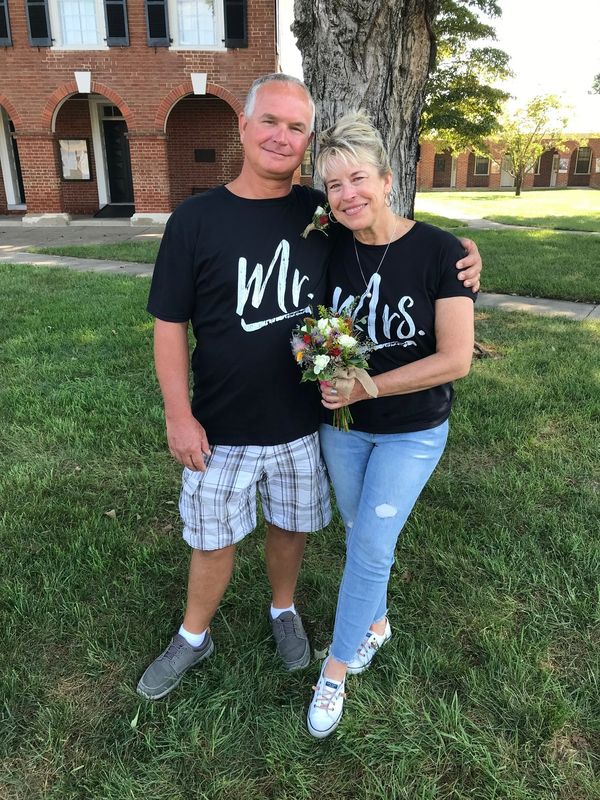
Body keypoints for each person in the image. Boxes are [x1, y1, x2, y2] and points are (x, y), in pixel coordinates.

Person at [137, 75, 482, 701]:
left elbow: (392, 239)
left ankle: (283, 610)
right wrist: (178, 415)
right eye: (270, 121)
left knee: (290, 527)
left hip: (304, 422)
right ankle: (193, 635)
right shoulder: (195, 219)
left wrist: (462, 257)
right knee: (212, 538)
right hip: (220, 424)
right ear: (242, 127)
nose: (282, 137)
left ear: (308, 143)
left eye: (297, 128)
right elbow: (168, 325)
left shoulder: (320, 218)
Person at [306, 112, 477, 739]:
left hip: (412, 430)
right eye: (333, 186)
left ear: (388, 178)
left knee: (372, 546)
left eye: (358, 179)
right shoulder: (324, 244)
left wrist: (369, 383)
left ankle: (335, 669)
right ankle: (376, 626)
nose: (347, 194)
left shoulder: (441, 252)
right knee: (358, 536)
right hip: (343, 428)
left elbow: (456, 358)